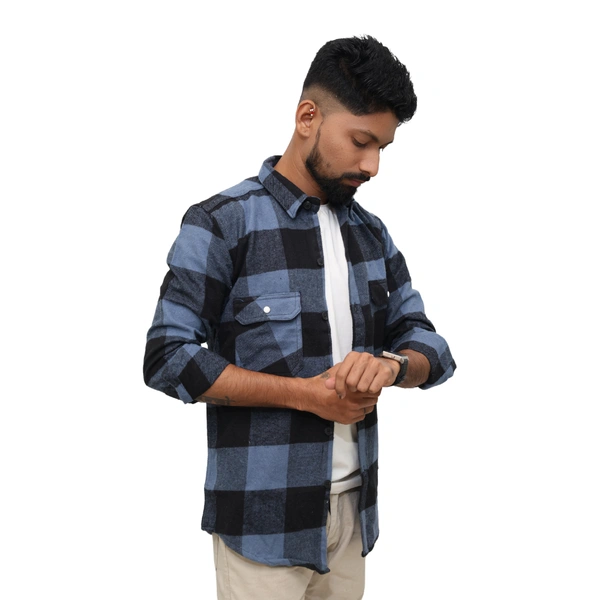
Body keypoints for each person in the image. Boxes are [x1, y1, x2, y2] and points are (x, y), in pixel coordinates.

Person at [143, 34, 456, 600]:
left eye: (383, 147)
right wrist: (304, 396)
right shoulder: (222, 223)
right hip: (262, 522)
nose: (373, 165)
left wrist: (390, 365)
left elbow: (429, 345)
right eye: (361, 142)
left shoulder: (371, 234)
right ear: (308, 117)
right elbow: (168, 357)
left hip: (353, 518)